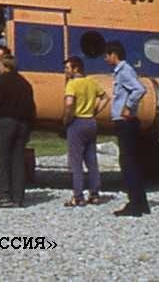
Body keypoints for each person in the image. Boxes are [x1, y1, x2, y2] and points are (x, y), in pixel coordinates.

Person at [0, 47, 35, 207]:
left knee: (3, 159)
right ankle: (18, 197)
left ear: (5, 67)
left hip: (6, 122)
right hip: (23, 124)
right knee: (18, 159)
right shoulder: (25, 83)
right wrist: (30, 126)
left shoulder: (1, 81)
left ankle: (3, 195)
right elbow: (31, 107)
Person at [105, 41, 151, 216]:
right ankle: (141, 203)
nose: (106, 59)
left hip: (125, 122)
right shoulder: (123, 71)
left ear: (114, 55)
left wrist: (128, 107)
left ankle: (135, 205)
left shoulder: (124, 71)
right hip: (125, 122)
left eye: (107, 55)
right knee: (132, 161)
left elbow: (139, 89)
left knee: (128, 163)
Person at [61, 55, 103, 207]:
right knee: (92, 160)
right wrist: (95, 110)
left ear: (76, 68)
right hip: (91, 121)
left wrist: (66, 118)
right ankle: (95, 194)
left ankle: (78, 196)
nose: (65, 71)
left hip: (77, 122)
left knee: (76, 161)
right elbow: (105, 97)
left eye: (67, 68)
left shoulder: (72, 84)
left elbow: (69, 103)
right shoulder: (91, 82)